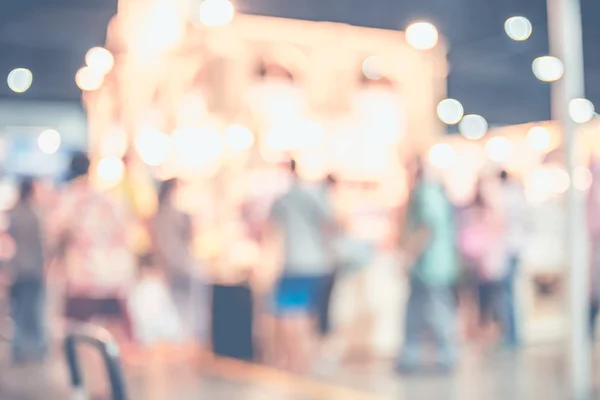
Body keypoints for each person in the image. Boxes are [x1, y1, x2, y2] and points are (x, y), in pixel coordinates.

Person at [48, 151, 136, 341]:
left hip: (82, 275)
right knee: (113, 334)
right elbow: (125, 228)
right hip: (111, 275)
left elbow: (54, 232)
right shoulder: (108, 197)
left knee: (78, 336)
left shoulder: (69, 197)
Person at [266, 160, 337, 373]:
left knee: (288, 312)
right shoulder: (316, 197)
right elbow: (330, 227)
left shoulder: (283, 200)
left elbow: (271, 232)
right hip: (318, 263)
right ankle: (305, 358)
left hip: (294, 262)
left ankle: (296, 359)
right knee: (307, 313)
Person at [397, 157, 459, 373]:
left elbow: (427, 228)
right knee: (417, 310)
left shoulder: (424, 193)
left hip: (431, 266)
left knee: (436, 310)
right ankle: (412, 356)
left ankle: (444, 355)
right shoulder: (434, 192)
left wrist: (409, 254)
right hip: (432, 265)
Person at [149, 178, 207, 344]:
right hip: (181, 263)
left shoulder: (160, 213)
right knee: (188, 305)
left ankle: (182, 338)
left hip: (170, 264)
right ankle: (188, 338)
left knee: (177, 303)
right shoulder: (173, 211)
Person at [6, 177, 47, 363]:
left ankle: (19, 347)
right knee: (36, 309)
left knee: (19, 310)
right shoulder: (36, 214)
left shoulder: (13, 214)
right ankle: (38, 347)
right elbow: (42, 244)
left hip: (17, 268)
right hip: (34, 268)